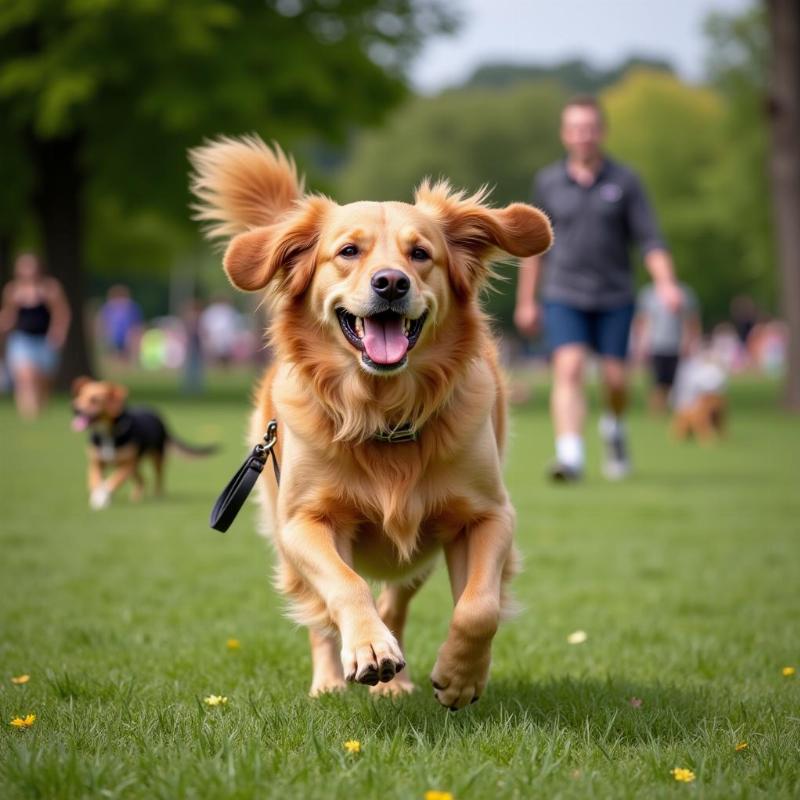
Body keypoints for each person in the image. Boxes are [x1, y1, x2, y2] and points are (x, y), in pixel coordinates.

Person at [514, 95, 683, 481]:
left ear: (601, 132)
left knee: (615, 380)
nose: (582, 136)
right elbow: (533, 249)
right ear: (564, 134)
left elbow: (651, 240)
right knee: (569, 368)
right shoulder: (548, 182)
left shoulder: (626, 182)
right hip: (563, 293)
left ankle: (614, 428)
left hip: (614, 296)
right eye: (575, 128)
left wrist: (667, 285)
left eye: (589, 128)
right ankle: (570, 457)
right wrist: (527, 301)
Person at [0, 253, 71, 419]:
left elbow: (61, 312)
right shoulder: (12, 290)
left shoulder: (50, 288)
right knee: (25, 378)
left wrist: (58, 332)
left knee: (43, 382)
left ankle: (39, 414)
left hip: (44, 341)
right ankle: (29, 416)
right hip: (21, 340)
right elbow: (10, 315)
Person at [633, 282, 702, 414]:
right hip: (655, 346)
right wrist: (640, 344)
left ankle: (672, 410)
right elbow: (641, 320)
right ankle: (657, 412)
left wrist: (691, 341)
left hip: (677, 346)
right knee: (657, 383)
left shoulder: (685, 293)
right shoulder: (648, 294)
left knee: (675, 383)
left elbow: (692, 319)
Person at [98, 285, 143, 361]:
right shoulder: (108, 307)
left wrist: (135, 334)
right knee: (114, 354)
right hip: (112, 335)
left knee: (125, 355)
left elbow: (136, 322)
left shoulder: (131, 306)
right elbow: (103, 321)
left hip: (126, 335)